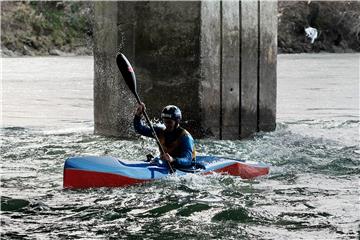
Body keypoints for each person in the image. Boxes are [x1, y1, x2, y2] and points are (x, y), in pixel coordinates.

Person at [133, 103, 196, 169]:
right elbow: (139, 129)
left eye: (169, 122)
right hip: (165, 164)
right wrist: (138, 114)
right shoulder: (160, 131)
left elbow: (187, 160)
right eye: (165, 121)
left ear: (177, 121)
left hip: (183, 167)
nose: (166, 125)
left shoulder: (185, 137)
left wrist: (172, 160)